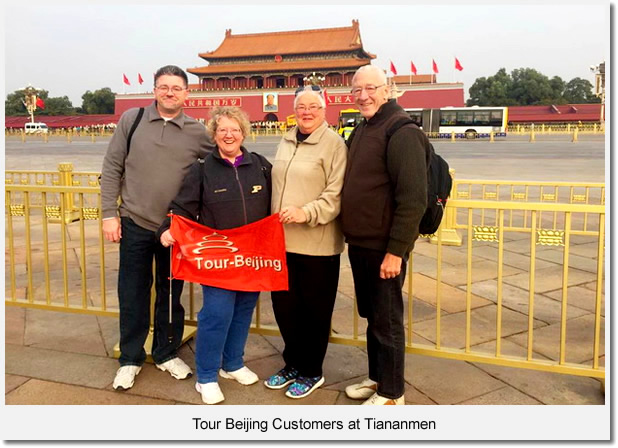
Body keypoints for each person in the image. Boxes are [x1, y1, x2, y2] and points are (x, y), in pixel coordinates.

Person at [101, 65, 214, 391]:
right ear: (154, 90)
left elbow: (222, 159)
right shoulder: (132, 120)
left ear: (186, 94)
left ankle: (165, 352)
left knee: (169, 294)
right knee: (132, 292)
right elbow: (111, 167)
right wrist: (110, 213)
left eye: (176, 88)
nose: (169, 93)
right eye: (164, 87)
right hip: (134, 221)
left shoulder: (196, 132)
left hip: (173, 228)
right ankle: (131, 358)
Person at [158, 106, 272, 405]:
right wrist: (168, 228)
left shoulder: (259, 165)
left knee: (243, 311)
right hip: (218, 257)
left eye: (234, 129)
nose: (229, 134)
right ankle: (206, 376)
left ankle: (232, 363)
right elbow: (181, 206)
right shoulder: (202, 169)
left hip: (251, 256)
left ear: (244, 133)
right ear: (214, 135)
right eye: (222, 130)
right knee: (216, 314)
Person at [340, 65, 431, 405]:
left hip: (384, 247)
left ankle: (393, 394)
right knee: (373, 316)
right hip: (361, 242)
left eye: (371, 88)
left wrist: (396, 251)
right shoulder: (365, 128)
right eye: (357, 90)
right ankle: (378, 378)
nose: (363, 96)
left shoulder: (401, 131)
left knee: (387, 320)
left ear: (388, 89)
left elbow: (413, 200)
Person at [265, 85, 347, 399]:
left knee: (314, 311)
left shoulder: (334, 145)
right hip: (281, 243)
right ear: (294, 110)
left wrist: (306, 212)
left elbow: (335, 195)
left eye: (313, 106)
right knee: (285, 308)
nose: (307, 112)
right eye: (302, 107)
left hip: (317, 244)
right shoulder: (285, 140)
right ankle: (292, 363)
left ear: (324, 110)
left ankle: (312, 370)